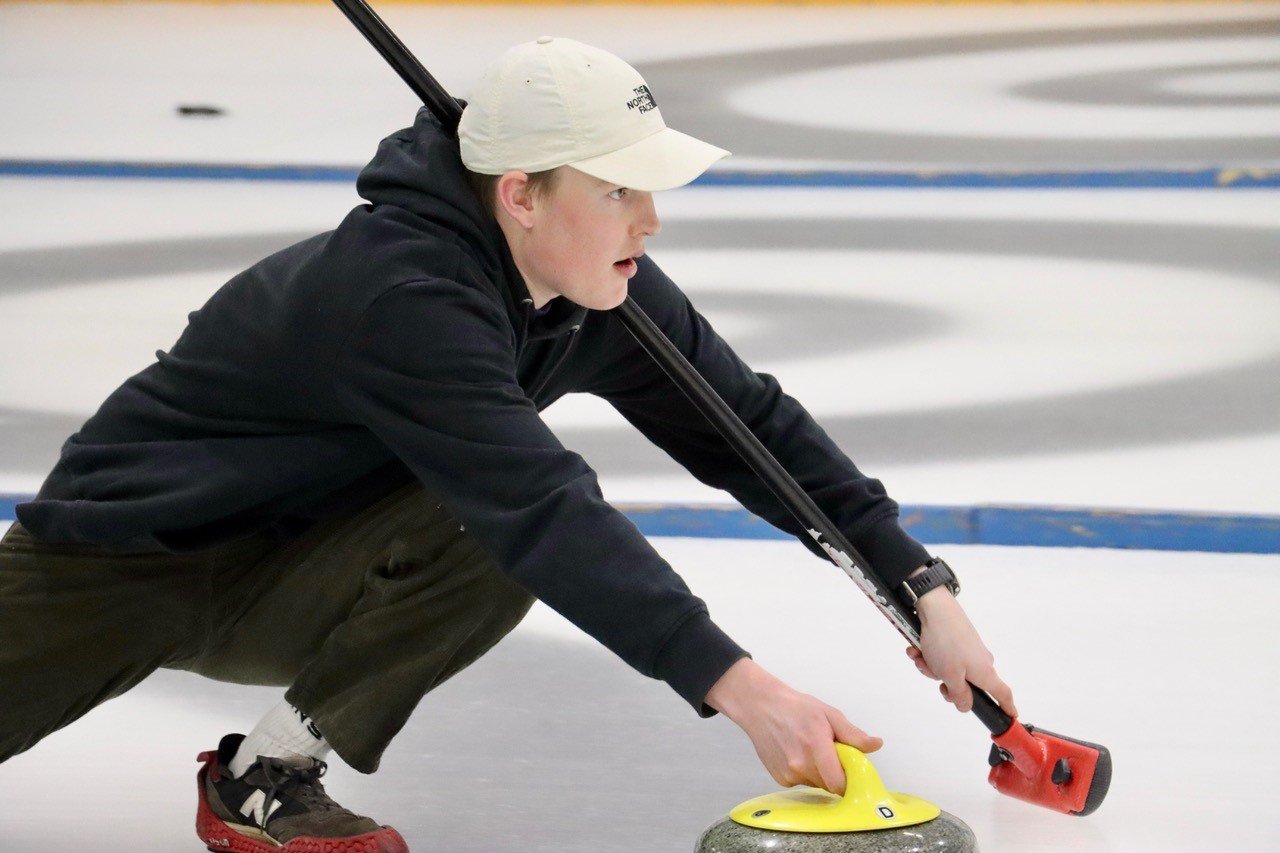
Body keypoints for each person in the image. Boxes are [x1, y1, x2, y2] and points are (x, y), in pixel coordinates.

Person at [0, 36, 1016, 852]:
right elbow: (540, 505)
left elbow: (748, 426)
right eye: (618, 190)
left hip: (300, 570)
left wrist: (917, 582)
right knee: (512, 509)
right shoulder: (401, 294)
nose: (651, 221)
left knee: (472, 522)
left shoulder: (599, 291)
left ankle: (266, 775)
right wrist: (743, 689)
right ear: (520, 193)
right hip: (120, 565)